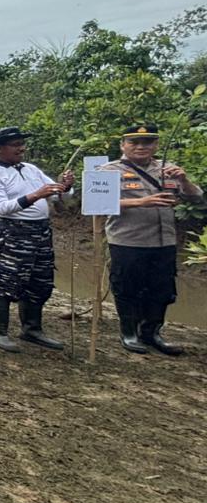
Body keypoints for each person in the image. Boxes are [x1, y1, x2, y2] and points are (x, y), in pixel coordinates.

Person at [101, 123, 202, 355]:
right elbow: (97, 206)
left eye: (147, 142)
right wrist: (142, 202)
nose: (140, 147)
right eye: (133, 142)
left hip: (163, 241)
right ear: (122, 145)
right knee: (127, 288)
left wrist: (184, 180)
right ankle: (129, 332)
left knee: (162, 290)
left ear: (156, 145)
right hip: (128, 240)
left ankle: (152, 332)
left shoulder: (168, 168)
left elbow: (196, 197)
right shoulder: (109, 171)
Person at [0, 126, 74, 352]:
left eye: (22, 143)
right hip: (14, 232)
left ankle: (32, 328)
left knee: (40, 281)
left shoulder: (30, 169)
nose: (21, 148)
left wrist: (66, 186)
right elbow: (2, 207)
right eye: (15, 145)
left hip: (41, 232)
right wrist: (36, 195)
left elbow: (60, 193)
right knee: (7, 281)